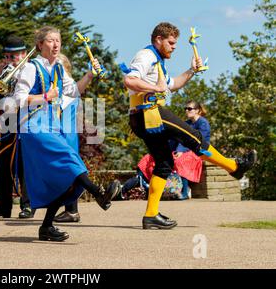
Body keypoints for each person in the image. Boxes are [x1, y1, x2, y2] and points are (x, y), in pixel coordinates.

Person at [123, 22, 257, 230]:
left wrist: (192, 71)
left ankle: (151, 216)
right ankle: (234, 167)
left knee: (164, 162)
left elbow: (172, 85)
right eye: (171, 43)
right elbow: (130, 80)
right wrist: (154, 87)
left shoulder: (157, 61)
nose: (174, 47)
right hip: (149, 112)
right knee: (194, 137)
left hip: (145, 116)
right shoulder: (146, 56)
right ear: (158, 39)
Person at [15, 26, 120, 241]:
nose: (56, 44)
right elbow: (17, 100)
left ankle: (46, 227)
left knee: (64, 177)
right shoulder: (31, 68)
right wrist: (45, 96)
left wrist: (90, 74)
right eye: (51, 40)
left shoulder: (59, 69)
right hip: (33, 126)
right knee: (69, 157)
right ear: (40, 45)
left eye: (58, 41)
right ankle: (98, 192)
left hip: (52, 125)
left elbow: (73, 91)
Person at [0, 35, 35, 219]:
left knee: (24, 163)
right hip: (7, 120)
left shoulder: (29, 69)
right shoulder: (6, 70)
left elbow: (23, 97)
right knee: (4, 163)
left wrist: (4, 100)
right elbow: (0, 100)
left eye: (14, 56)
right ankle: (2, 207)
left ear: (24, 54)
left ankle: (28, 205)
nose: (10, 60)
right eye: (8, 56)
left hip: (25, 119)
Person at [54, 54, 82, 223]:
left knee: (69, 172)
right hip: (68, 133)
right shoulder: (68, 88)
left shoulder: (67, 88)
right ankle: (70, 209)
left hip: (65, 133)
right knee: (68, 171)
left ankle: (72, 211)